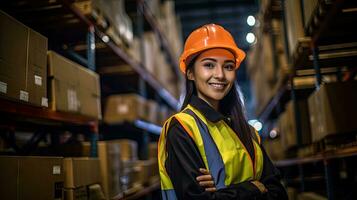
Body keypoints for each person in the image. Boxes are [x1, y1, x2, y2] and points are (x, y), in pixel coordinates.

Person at [158, 24, 288, 200]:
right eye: (209, 65)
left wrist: (222, 192)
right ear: (190, 73)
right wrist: (254, 187)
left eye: (228, 66)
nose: (220, 74)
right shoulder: (182, 128)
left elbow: (278, 193)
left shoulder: (249, 133)